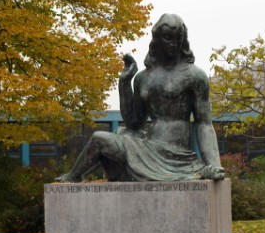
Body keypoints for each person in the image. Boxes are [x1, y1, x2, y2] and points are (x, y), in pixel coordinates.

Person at [55, 13, 225, 182]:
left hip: (178, 157)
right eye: (168, 38)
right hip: (146, 149)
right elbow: (134, 123)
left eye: (178, 38)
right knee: (99, 139)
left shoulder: (195, 76)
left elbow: (204, 124)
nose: (173, 43)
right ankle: (72, 177)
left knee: (105, 139)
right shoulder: (143, 78)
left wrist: (214, 165)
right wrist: (124, 83)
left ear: (183, 39)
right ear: (157, 39)